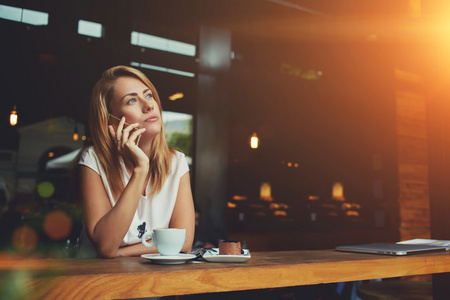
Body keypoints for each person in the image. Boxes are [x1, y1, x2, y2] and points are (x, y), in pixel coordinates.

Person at [75, 65, 195, 258]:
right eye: (131, 100)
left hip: (153, 282)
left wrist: (121, 253)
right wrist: (141, 169)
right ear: (111, 121)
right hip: (100, 281)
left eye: (148, 95)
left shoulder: (177, 162)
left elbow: (184, 243)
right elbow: (106, 246)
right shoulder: (93, 159)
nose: (148, 105)